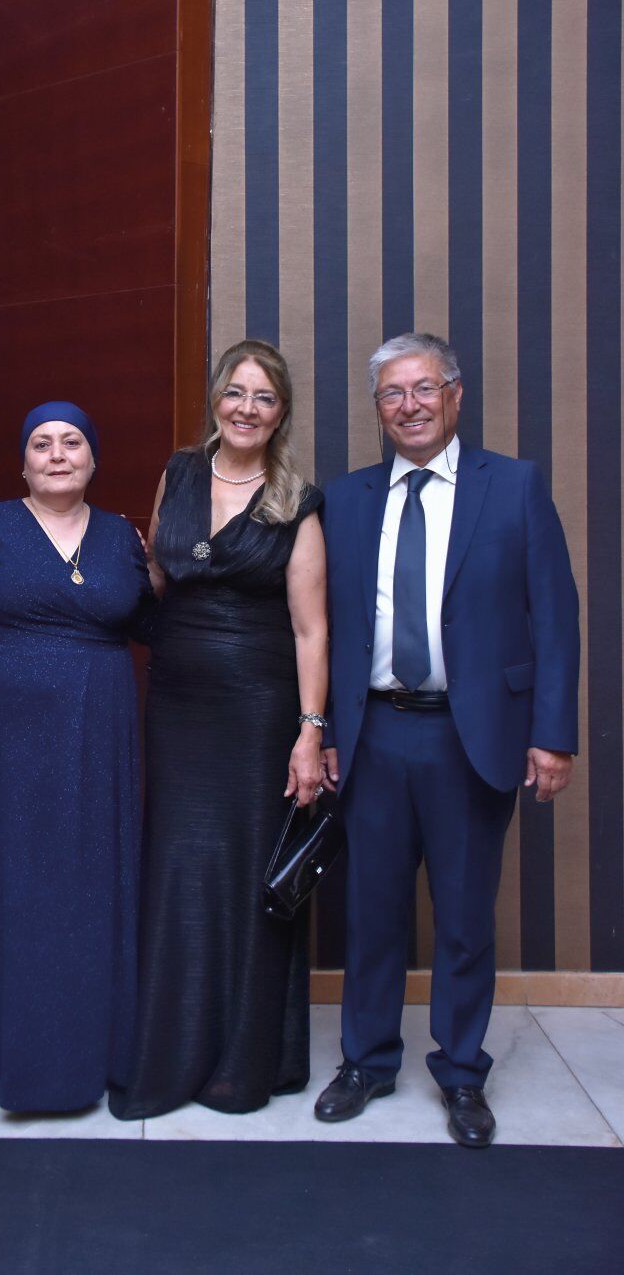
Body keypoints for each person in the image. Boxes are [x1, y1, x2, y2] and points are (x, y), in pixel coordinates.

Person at [315, 332, 579, 1148]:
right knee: (372, 913)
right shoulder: (345, 500)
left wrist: (553, 735)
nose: (411, 406)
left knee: (464, 918)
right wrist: (324, 729)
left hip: (473, 737)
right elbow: (323, 629)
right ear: (378, 408)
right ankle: (366, 1061)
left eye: (424, 388)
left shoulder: (515, 486)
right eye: (393, 394)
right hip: (374, 734)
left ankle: (462, 1071)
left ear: (455, 394)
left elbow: (555, 617)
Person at [109, 339, 328, 1120]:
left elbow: (311, 629)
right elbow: (158, 580)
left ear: (281, 412)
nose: (246, 408)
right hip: (176, 703)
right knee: (178, 866)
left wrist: (310, 731)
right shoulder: (178, 473)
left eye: (264, 397)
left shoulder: (297, 500)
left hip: (258, 709)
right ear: (215, 398)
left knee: (243, 872)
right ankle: (171, 1049)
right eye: (236, 392)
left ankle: (242, 1061)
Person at [0, 402, 154, 1113]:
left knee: (92, 888)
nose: (57, 454)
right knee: (18, 887)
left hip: (102, 737)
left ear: (93, 459)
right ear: (23, 465)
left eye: (72, 442)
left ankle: (97, 1052)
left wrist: (172, 570)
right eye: (41, 444)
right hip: (6, 739)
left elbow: (154, 624)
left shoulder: (120, 537)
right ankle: (14, 1057)